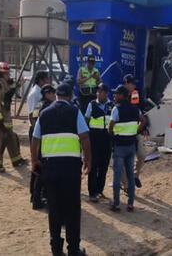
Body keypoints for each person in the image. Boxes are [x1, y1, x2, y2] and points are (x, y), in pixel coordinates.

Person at [30, 82, 90, 256]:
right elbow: (85, 138)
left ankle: (56, 249)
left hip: (50, 168)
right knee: (72, 209)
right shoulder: (75, 112)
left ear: (56, 95)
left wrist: (34, 160)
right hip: (71, 169)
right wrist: (88, 160)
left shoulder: (45, 113)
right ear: (70, 97)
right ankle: (73, 249)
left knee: (54, 209)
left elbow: (35, 139)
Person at [108, 85, 144, 212]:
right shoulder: (135, 109)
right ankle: (130, 204)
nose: (114, 96)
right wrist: (135, 131)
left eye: (116, 94)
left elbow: (110, 126)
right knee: (130, 175)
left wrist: (113, 135)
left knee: (117, 176)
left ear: (122, 95)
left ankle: (117, 204)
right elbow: (143, 121)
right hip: (131, 146)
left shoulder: (116, 109)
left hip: (119, 146)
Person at [0, 62, 25, 172]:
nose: (8, 75)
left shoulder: (5, 83)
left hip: (6, 119)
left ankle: (16, 160)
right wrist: (0, 120)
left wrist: (18, 84)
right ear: (0, 74)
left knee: (12, 139)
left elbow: (11, 90)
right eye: (6, 73)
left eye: (8, 73)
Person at [84, 83, 114, 202]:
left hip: (106, 138)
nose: (98, 93)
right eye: (97, 91)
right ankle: (92, 192)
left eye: (100, 91)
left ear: (106, 93)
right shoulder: (91, 105)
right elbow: (86, 120)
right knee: (93, 165)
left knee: (104, 166)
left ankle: (99, 190)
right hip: (94, 138)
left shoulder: (112, 105)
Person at [30, 83, 56, 210]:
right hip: (43, 140)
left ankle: (34, 196)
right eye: (53, 93)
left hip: (35, 137)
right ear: (48, 94)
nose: (55, 96)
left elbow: (32, 118)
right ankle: (41, 198)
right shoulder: (48, 107)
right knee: (43, 170)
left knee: (36, 169)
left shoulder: (39, 104)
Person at [121, 74, 147, 188]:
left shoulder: (136, 94)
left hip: (136, 129)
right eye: (132, 83)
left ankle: (136, 176)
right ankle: (126, 183)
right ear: (126, 84)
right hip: (124, 132)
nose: (134, 85)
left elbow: (140, 109)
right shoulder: (120, 94)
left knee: (142, 154)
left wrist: (143, 127)